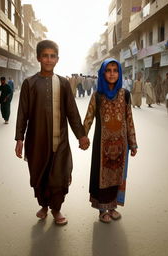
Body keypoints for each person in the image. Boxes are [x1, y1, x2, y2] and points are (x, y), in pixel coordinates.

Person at [15, 40, 89, 225]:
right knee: (39, 176)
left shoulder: (63, 83)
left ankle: (56, 209)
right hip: (37, 141)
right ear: (39, 57)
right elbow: (22, 113)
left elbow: (72, 112)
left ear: (57, 59)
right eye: (45, 56)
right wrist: (19, 139)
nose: (49, 59)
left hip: (60, 141)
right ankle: (44, 206)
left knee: (58, 177)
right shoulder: (29, 83)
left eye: (52, 56)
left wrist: (81, 135)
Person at [83, 58, 138, 223]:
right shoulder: (97, 96)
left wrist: (133, 142)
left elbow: (129, 119)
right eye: (108, 70)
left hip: (121, 145)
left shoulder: (125, 94)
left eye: (115, 70)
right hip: (102, 146)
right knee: (102, 175)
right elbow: (88, 118)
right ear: (103, 73)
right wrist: (83, 137)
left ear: (119, 73)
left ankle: (113, 207)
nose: (112, 74)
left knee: (117, 175)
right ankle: (102, 210)